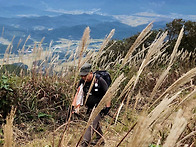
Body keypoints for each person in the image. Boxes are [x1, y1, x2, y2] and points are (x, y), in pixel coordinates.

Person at [72, 63, 111, 147]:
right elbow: (78, 93)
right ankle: (100, 140)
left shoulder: (100, 81)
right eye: (81, 76)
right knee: (95, 124)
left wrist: (107, 107)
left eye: (85, 75)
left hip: (99, 107)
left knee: (91, 124)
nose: (83, 77)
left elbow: (107, 94)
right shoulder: (82, 81)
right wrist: (74, 106)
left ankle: (84, 144)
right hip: (90, 107)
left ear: (90, 73)